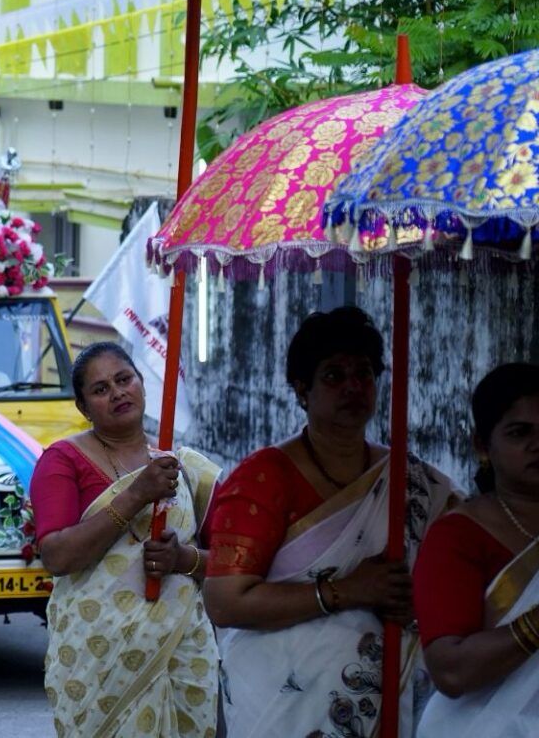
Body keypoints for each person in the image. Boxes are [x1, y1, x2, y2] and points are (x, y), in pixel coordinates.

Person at [202, 306, 457, 737]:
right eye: (334, 376)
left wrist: (412, 600)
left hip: (385, 693)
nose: (353, 387)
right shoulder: (264, 478)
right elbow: (225, 603)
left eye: (364, 374)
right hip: (280, 700)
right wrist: (348, 591)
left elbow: (456, 574)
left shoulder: (409, 480)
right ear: (303, 390)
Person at [29, 342, 221, 738]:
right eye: (101, 389)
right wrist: (136, 496)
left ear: (141, 383)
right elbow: (57, 557)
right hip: (100, 660)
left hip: (181, 654)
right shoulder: (63, 460)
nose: (117, 393)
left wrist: (183, 559)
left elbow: (237, 561)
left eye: (124, 379)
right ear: (83, 407)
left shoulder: (184, 466)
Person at [414, 363, 539, 733]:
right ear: (483, 445)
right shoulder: (458, 536)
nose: (537, 443)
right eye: (519, 432)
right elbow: (450, 670)